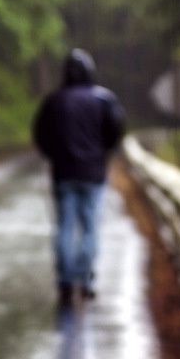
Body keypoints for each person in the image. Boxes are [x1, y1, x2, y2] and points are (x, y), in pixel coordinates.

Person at [32, 48, 126, 307]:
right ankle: (84, 280)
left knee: (65, 227)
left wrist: (54, 155)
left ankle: (65, 281)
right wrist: (103, 154)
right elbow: (116, 133)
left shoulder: (54, 101)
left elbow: (40, 135)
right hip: (93, 175)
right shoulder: (104, 100)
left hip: (63, 174)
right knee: (90, 227)